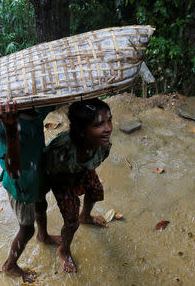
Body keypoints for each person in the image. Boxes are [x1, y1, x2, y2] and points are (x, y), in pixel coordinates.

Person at [44, 98, 113, 273]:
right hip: (62, 179)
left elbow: (95, 163)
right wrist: (73, 186)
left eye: (109, 120)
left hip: (83, 170)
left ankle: (86, 216)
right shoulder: (61, 150)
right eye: (99, 124)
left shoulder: (103, 145)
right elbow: (50, 172)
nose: (108, 128)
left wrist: (85, 179)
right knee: (71, 221)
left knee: (96, 191)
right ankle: (64, 249)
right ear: (82, 131)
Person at [0, 100, 61, 282]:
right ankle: (10, 265)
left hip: (37, 174)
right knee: (26, 229)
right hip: (21, 184)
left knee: (41, 204)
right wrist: (11, 131)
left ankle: (44, 235)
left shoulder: (37, 108)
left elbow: (54, 103)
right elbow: (14, 171)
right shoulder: (5, 124)